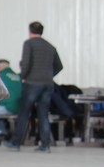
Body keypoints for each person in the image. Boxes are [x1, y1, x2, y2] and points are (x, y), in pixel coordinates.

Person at [5, 22, 63, 152]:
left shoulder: (29, 44)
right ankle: (45, 145)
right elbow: (59, 66)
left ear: (30, 31)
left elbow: (26, 63)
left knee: (24, 113)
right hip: (47, 84)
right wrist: (49, 75)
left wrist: (23, 76)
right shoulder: (50, 47)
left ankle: (16, 143)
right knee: (43, 114)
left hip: (32, 83)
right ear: (42, 32)